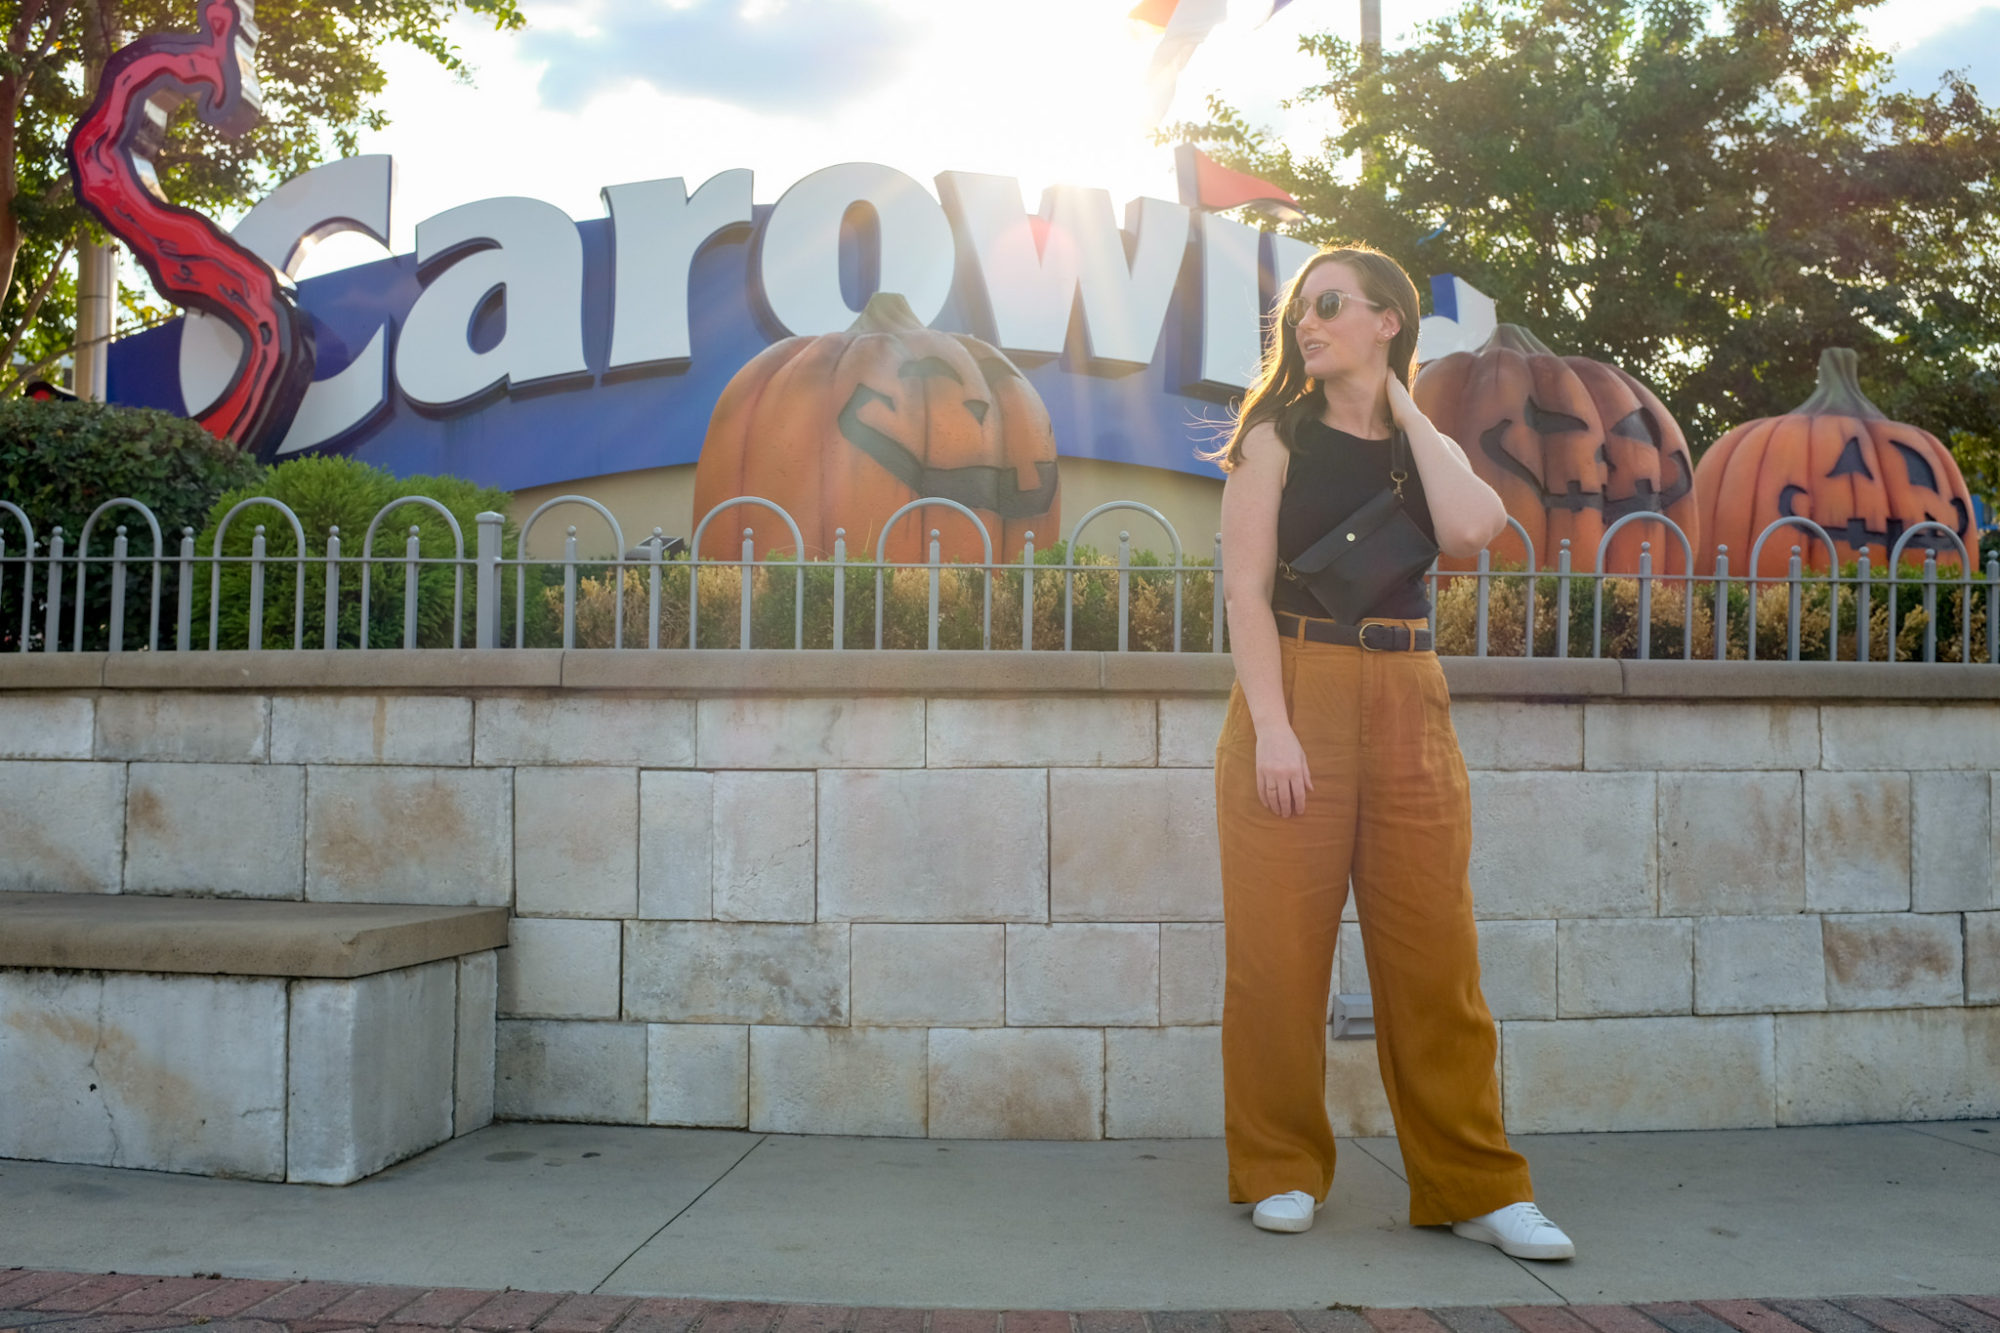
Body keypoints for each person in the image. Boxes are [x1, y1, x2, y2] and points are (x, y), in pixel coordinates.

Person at [1205, 244, 1575, 1260]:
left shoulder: (1422, 445)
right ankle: (1278, 1165)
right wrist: (1273, 726)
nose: (1305, 325)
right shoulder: (1274, 438)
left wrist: (1405, 412)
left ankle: (1474, 1185)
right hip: (1296, 690)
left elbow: (1472, 528)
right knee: (1277, 957)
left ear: (1386, 322)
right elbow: (1242, 592)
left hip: (1409, 691)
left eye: (1329, 308)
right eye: (1297, 314)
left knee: (1434, 955)